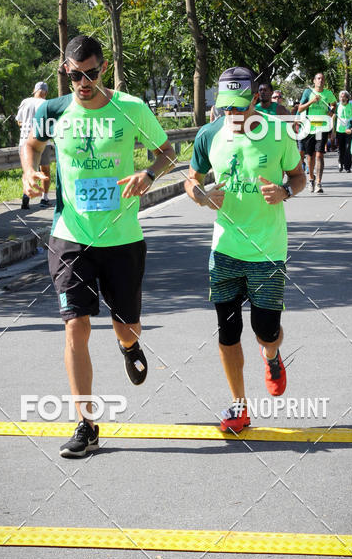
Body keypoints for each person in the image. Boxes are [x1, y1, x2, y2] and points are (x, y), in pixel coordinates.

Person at [22, 35, 175, 458]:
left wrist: (148, 174)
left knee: (126, 325)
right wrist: (28, 171)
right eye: (75, 75)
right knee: (76, 325)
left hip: (123, 238)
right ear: (65, 72)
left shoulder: (130, 109)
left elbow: (167, 151)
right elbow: (31, 144)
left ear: (103, 68)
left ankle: (129, 346)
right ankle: (86, 423)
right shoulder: (54, 110)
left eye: (90, 73)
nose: (83, 82)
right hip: (71, 236)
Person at [184, 66, 305, 433]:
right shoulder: (209, 135)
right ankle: (240, 407)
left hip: (268, 250)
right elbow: (191, 179)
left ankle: (271, 355)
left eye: (238, 106)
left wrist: (284, 191)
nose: (232, 115)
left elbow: (299, 177)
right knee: (228, 331)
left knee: (266, 331)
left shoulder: (278, 134)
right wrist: (201, 196)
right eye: (226, 107)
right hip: (225, 250)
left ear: (256, 97)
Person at [296, 72, 336, 194]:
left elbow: (334, 104)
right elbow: (300, 108)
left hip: (322, 127)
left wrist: (331, 110)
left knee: (319, 155)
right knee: (310, 156)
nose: (320, 81)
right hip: (309, 128)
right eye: (318, 78)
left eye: (322, 79)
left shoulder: (328, 93)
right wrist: (312, 101)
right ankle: (311, 179)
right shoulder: (308, 93)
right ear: (314, 81)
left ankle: (319, 182)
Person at [16, 81, 52, 209]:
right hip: (42, 141)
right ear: (46, 93)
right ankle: (45, 198)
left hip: (24, 141)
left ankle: (26, 195)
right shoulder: (46, 104)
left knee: (28, 169)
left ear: (34, 90)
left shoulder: (25, 102)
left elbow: (19, 122)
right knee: (45, 169)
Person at [335, 90, 352, 172]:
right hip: (339, 130)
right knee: (341, 148)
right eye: (341, 97)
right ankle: (340, 163)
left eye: (344, 97)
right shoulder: (337, 106)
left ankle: (347, 167)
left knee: (348, 148)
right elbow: (333, 117)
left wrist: (350, 121)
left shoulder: (351, 105)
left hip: (348, 130)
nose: (342, 98)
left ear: (347, 98)